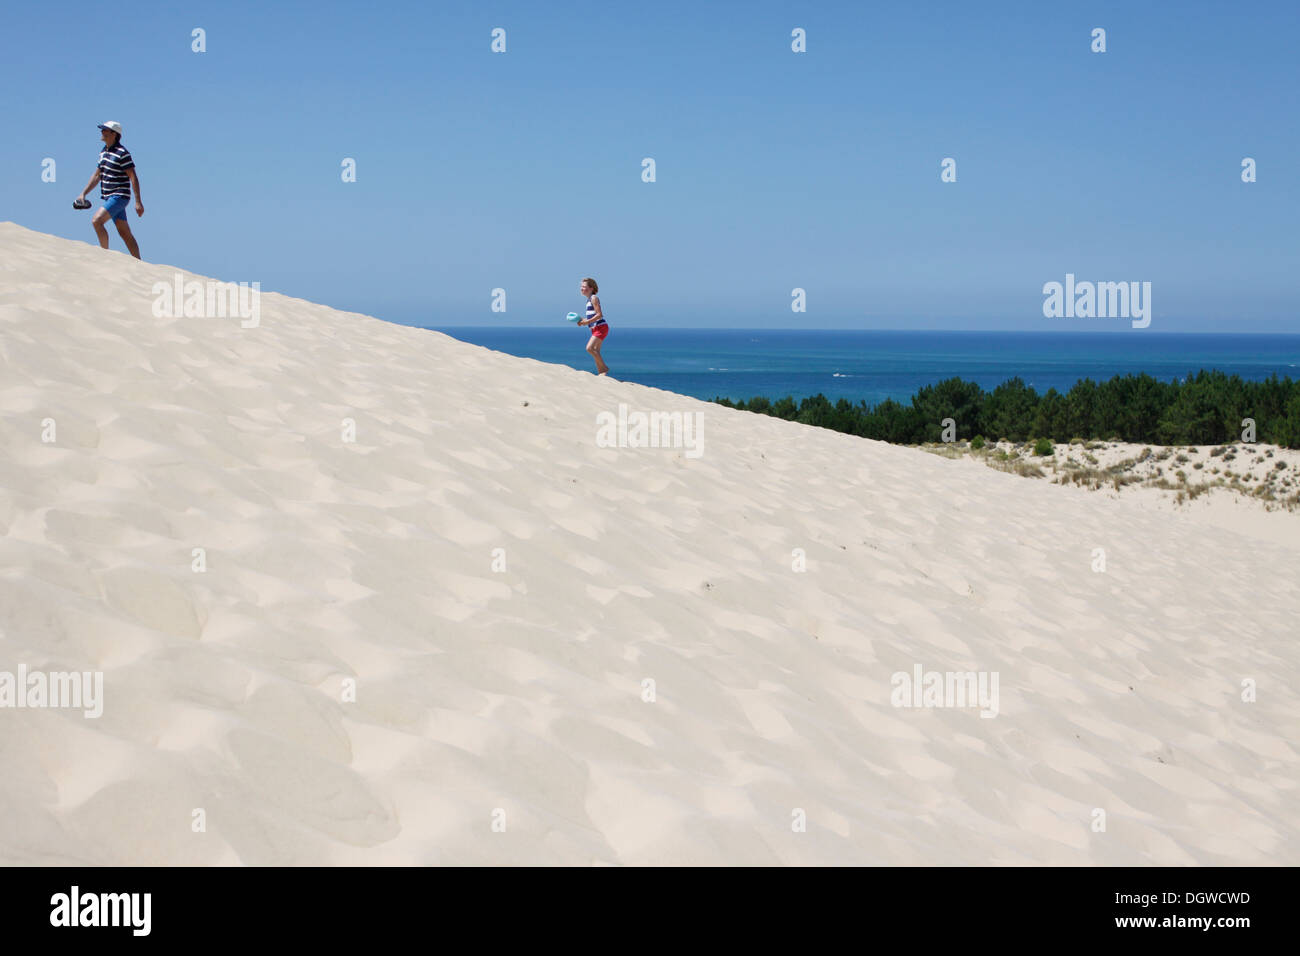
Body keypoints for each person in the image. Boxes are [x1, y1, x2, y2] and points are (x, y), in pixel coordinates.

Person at [76, 121, 143, 259]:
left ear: (114, 134)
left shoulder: (122, 153)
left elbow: (133, 177)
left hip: (119, 196)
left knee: (97, 221)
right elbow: (97, 175)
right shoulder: (103, 152)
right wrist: (83, 194)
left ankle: (104, 256)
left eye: (105, 130)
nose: (102, 132)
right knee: (124, 232)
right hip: (109, 196)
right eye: (102, 130)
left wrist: (138, 202)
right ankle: (139, 262)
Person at [576, 277, 610, 375]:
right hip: (596, 328)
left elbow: (599, 314)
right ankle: (602, 373)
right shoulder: (588, 300)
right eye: (581, 287)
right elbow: (592, 316)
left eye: (584, 287)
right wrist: (582, 321)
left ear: (591, 288)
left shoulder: (593, 298)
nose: (581, 288)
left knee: (589, 348)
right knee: (596, 351)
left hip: (600, 327)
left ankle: (604, 368)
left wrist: (587, 322)